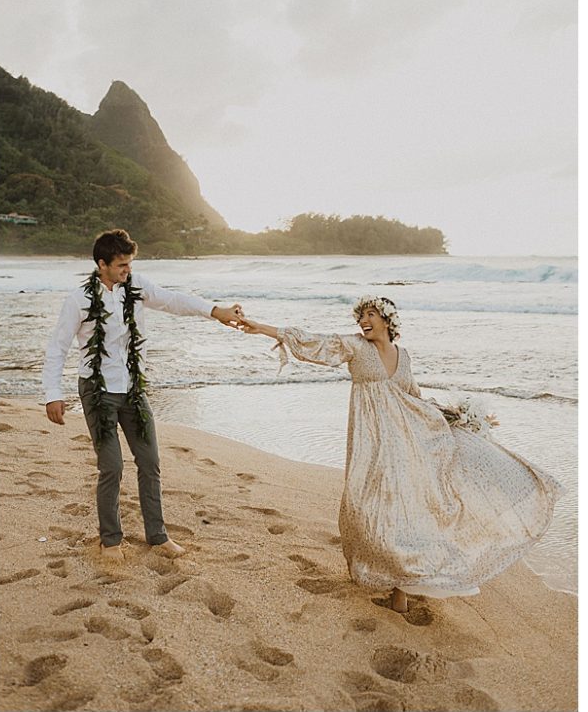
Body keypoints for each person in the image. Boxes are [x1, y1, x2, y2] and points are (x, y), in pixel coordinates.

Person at [236, 297, 558, 612]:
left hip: (405, 445)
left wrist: (458, 417)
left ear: (388, 320)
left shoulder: (404, 357)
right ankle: (389, 574)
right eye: (360, 315)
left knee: (407, 509)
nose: (363, 320)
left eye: (371, 314)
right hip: (370, 444)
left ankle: (400, 589)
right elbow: (313, 342)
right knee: (364, 505)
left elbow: (416, 399)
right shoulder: (355, 347)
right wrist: (264, 328)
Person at [40, 228, 246, 561]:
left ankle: (158, 536)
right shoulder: (78, 299)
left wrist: (215, 311)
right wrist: (53, 393)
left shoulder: (136, 287)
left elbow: (174, 300)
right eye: (122, 265)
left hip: (133, 389)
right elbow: (57, 347)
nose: (128, 270)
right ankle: (111, 540)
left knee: (150, 462)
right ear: (102, 264)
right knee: (112, 467)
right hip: (97, 391)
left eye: (130, 264)